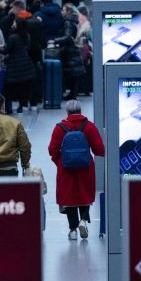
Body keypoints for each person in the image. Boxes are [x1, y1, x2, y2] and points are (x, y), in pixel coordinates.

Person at [47, 100, 105, 240]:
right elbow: (100, 149)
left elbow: (52, 150)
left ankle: (73, 230)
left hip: (65, 168)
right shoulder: (90, 127)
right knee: (85, 195)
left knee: (69, 198)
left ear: (67, 112)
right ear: (81, 110)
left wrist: (60, 162)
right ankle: (83, 221)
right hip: (86, 167)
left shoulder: (60, 128)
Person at [0, 18, 37, 113]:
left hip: (14, 65)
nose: (13, 24)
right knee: (23, 87)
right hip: (26, 64)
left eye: (15, 23)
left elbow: (5, 51)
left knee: (9, 88)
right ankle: (22, 106)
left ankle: (8, 108)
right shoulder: (27, 36)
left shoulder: (13, 37)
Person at [57, 5, 87, 100]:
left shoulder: (68, 22)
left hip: (69, 49)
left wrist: (55, 40)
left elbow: (67, 36)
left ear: (68, 11)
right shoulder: (75, 20)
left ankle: (72, 94)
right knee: (75, 71)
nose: (62, 12)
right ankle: (73, 93)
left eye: (63, 10)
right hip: (75, 47)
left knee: (71, 72)